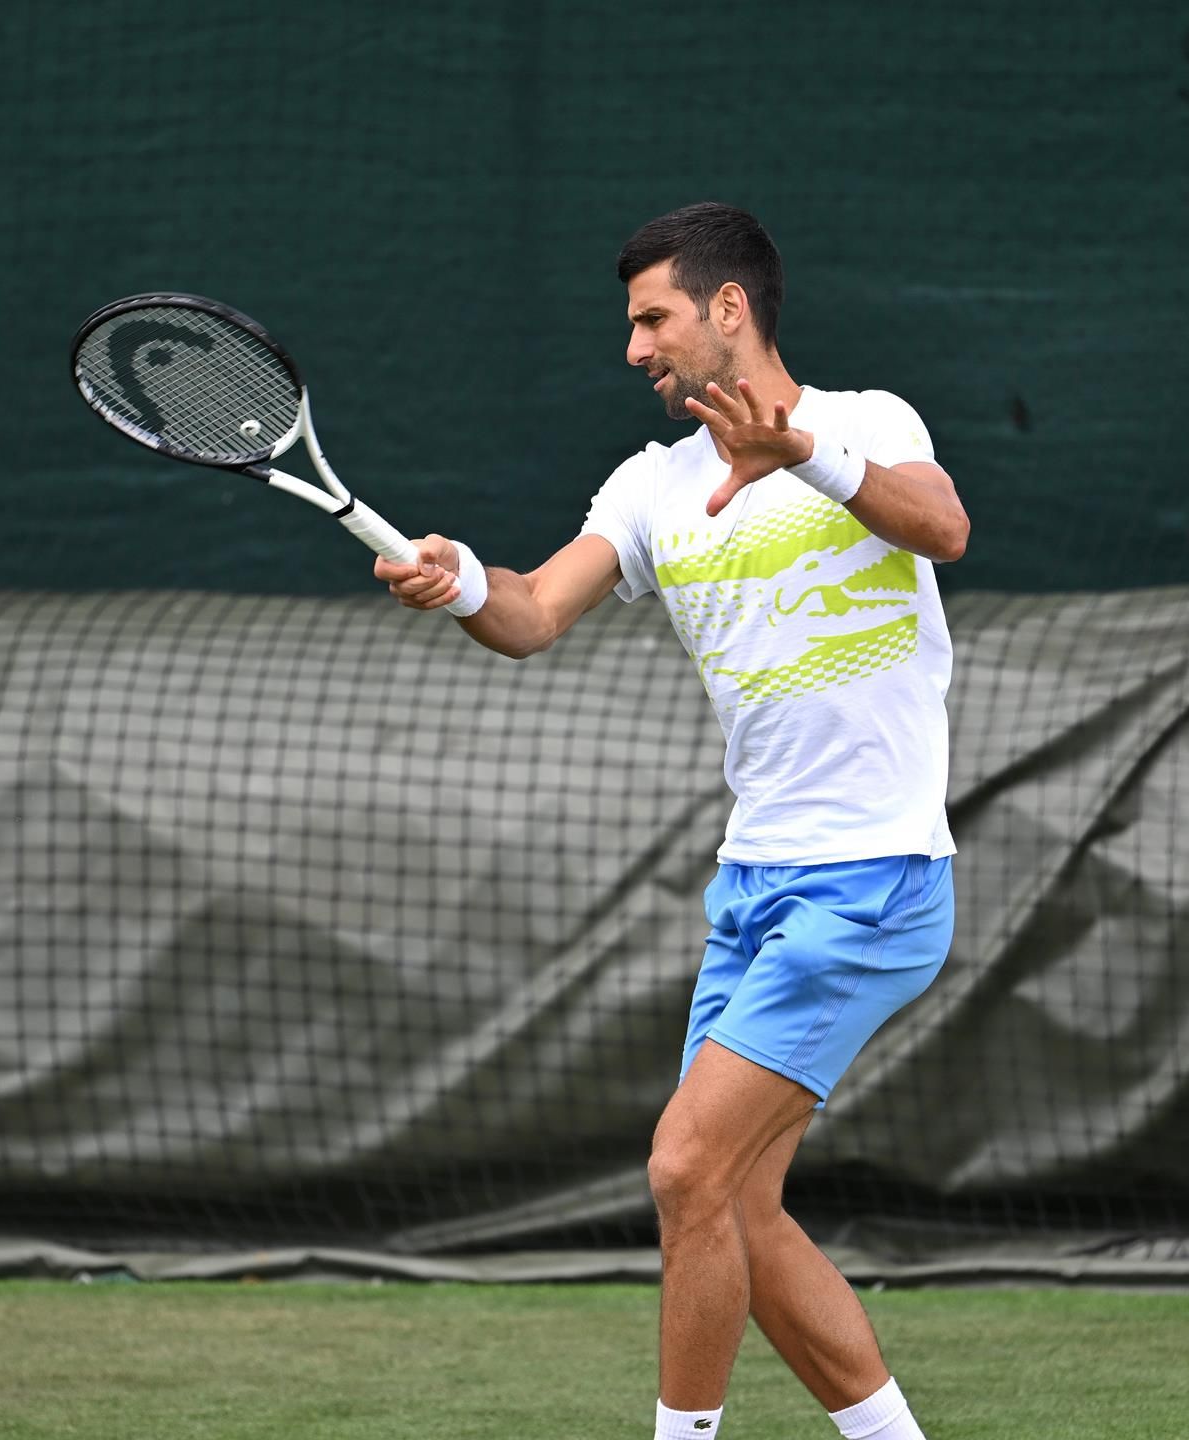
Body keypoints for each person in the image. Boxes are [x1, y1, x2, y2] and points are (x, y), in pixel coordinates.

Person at [376, 202, 968, 1436]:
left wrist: (800, 451)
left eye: (653, 318)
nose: (635, 347)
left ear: (728, 309)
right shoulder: (649, 488)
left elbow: (943, 528)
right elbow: (533, 610)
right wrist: (461, 580)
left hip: (872, 879)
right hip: (752, 890)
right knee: (736, 1209)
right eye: (633, 323)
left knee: (684, 1168)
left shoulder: (864, 426)